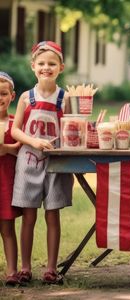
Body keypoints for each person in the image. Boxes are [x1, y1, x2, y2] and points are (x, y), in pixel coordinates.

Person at [11, 41, 73, 285]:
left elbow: (72, 127)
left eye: (52, 64)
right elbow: (16, 130)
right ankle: (25, 267)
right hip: (28, 161)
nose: (46, 67)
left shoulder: (65, 97)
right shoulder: (27, 97)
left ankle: (50, 267)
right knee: (29, 216)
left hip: (56, 163)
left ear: (61, 67)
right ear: (33, 66)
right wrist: (33, 141)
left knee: (52, 214)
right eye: (42, 63)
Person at [0, 72, 22, 286]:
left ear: (12, 96)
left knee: (7, 229)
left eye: (3, 94)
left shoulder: (15, 124)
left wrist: (5, 149)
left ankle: (12, 271)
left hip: (6, 184)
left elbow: (21, 151)